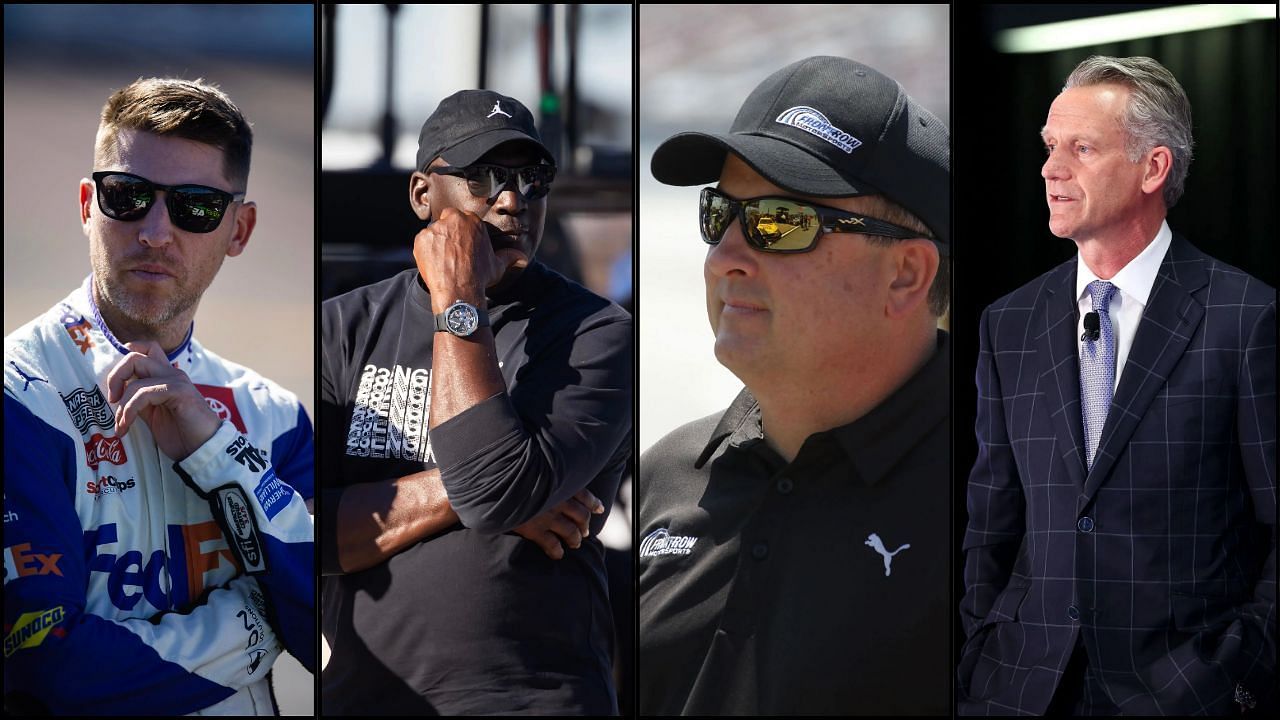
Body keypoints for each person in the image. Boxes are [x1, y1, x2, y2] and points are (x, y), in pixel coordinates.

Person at [958, 56, 1276, 716]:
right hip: (1017, 690)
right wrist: (981, 653)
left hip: (1183, 694)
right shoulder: (1006, 323)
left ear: (1153, 168)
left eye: (1081, 148)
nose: (1051, 169)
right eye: (1050, 147)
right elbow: (992, 522)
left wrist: (1235, 670)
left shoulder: (1246, 318)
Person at [638, 55, 952, 715]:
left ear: (906, 275)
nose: (724, 256)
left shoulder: (1013, 497)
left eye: (780, 221)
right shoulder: (664, 477)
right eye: (719, 214)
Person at [3, 77, 315, 715]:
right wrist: (259, 627)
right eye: (127, 196)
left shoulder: (272, 418)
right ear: (88, 204)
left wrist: (216, 453)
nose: (154, 232)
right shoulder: (18, 394)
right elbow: (52, 668)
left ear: (239, 229)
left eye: (195, 207)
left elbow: (336, 629)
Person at [318, 89, 632, 714]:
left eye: (532, 179)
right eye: (485, 177)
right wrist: (471, 490)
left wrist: (459, 295)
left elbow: (494, 491)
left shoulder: (597, 332)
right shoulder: (341, 326)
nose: (513, 200)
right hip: (368, 696)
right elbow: (304, 535)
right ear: (422, 196)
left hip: (535, 699)